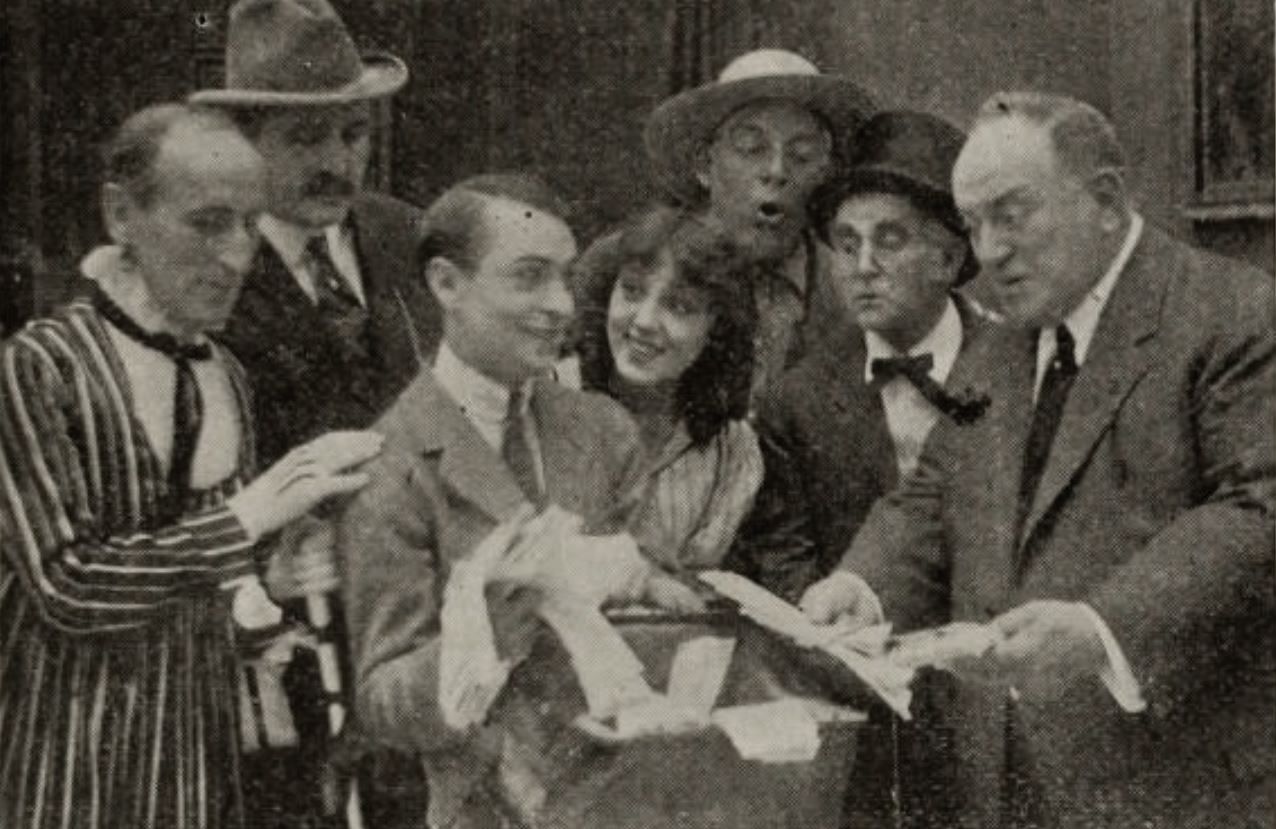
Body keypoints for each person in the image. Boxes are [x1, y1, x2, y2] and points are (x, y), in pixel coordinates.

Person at [800, 92, 1275, 828]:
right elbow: (933, 493)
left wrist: (1101, 629)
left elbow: (1258, 506)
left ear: (1107, 201)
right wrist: (865, 582)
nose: (988, 251)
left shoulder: (1233, 314)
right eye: (975, 224)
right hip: (999, 781)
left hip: (1171, 784)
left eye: (1012, 215)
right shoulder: (1001, 346)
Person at [0, 103, 380, 829]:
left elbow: (218, 587)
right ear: (121, 216)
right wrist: (245, 519)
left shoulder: (226, 373)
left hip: (194, 771)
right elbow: (68, 586)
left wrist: (272, 571)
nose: (237, 254)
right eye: (208, 223)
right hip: (60, 768)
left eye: (248, 223)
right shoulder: (38, 367)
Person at [190, 1, 438, 821]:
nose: (338, 161)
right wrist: (259, 576)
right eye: (305, 139)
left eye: (354, 135)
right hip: (268, 658)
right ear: (242, 145)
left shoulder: (407, 239)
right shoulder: (202, 274)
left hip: (411, 635)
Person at [727, 109, 994, 829]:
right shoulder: (797, 401)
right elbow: (786, 567)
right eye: (845, 244)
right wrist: (842, 643)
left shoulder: (1019, 369)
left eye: (890, 239)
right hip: (861, 717)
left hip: (1000, 707)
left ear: (949, 256)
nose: (863, 264)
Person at [590, 48, 876, 402]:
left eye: (801, 155)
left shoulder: (849, 289)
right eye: (751, 147)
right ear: (703, 165)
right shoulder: (619, 262)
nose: (776, 171)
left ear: (826, 174)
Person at [574, 204, 761, 574]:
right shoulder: (543, 401)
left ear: (716, 331)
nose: (644, 321)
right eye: (631, 291)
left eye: (678, 307)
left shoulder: (731, 452)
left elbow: (692, 588)